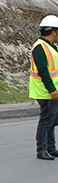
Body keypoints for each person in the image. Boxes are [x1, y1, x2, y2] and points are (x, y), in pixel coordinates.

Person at [29, 15, 58, 160]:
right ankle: (42, 149)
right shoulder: (40, 47)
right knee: (46, 121)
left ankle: (51, 148)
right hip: (46, 91)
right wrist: (52, 89)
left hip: (52, 91)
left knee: (52, 120)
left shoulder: (52, 46)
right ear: (54, 32)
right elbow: (43, 71)